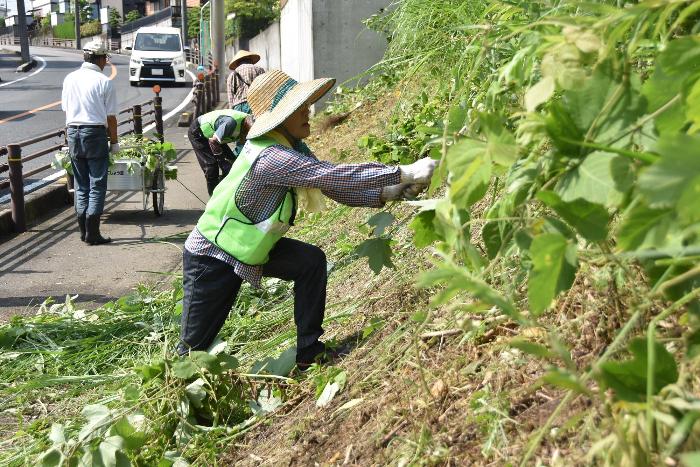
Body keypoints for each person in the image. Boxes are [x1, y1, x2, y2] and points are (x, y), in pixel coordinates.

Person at [176, 70, 437, 369]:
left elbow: (333, 187)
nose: (308, 111)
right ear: (280, 117)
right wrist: (403, 171)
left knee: (310, 262)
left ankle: (309, 353)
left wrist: (390, 192)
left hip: (247, 248)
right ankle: (178, 395)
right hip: (211, 255)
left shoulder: (290, 148)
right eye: (299, 107)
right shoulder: (272, 157)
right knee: (192, 351)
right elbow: (332, 174)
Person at [61, 39, 119, 245]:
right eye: (105, 58)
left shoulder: (70, 78)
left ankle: (83, 231)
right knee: (97, 183)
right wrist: (114, 143)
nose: (106, 63)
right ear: (101, 58)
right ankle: (93, 233)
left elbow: (66, 110)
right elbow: (110, 118)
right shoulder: (103, 82)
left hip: (73, 133)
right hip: (95, 134)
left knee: (81, 184)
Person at [188, 109, 253, 195]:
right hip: (199, 132)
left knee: (233, 164)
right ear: (245, 130)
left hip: (216, 136)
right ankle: (213, 198)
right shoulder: (231, 124)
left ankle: (224, 191)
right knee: (211, 167)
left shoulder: (249, 123)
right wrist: (222, 163)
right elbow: (213, 141)